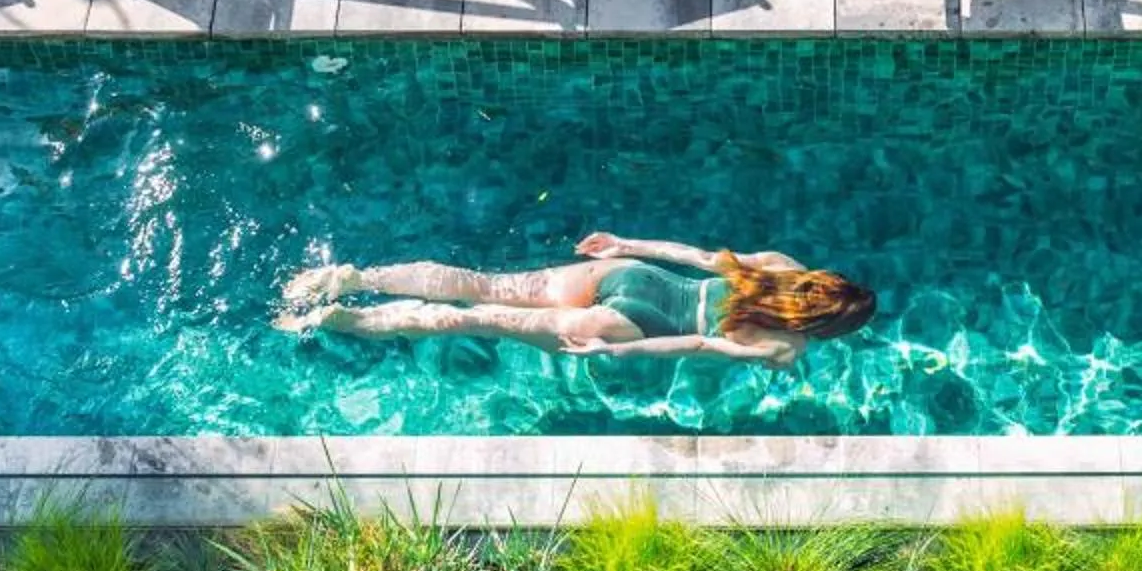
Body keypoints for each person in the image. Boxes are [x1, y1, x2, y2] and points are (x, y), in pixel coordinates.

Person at [276, 232, 875, 367]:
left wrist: (625, 242)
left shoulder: (781, 268)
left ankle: (349, 277)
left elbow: (695, 257)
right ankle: (345, 320)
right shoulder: (782, 349)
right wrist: (607, 354)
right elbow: (695, 342)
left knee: (478, 284)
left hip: (636, 277)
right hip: (629, 320)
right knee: (476, 321)